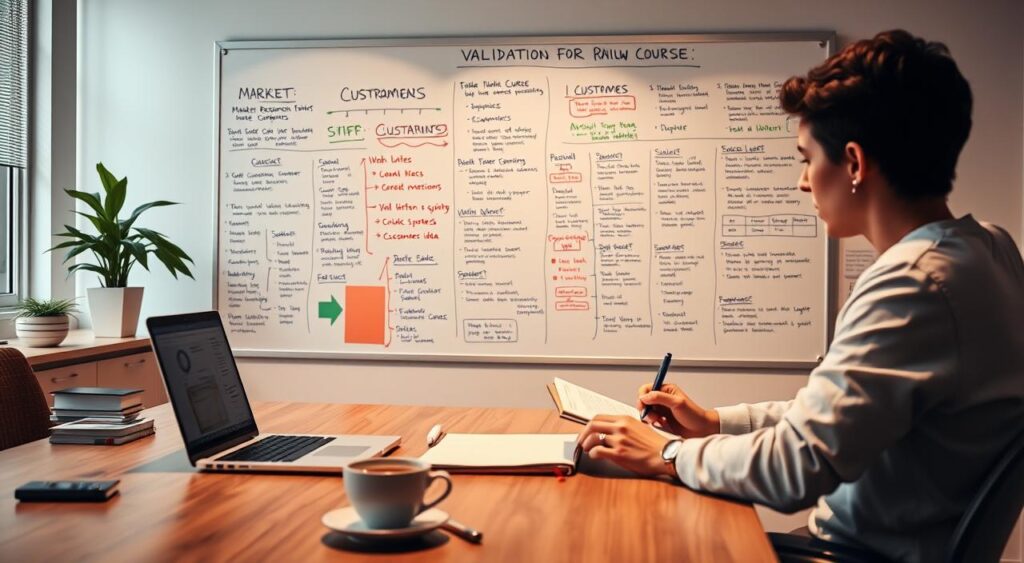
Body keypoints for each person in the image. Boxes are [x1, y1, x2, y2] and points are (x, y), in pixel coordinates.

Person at [577, 29, 1024, 563]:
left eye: (806, 157)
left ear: (854, 164)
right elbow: (839, 418)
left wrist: (668, 453)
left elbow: (798, 467)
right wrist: (714, 423)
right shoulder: (990, 249)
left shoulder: (912, 284)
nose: (803, 182)